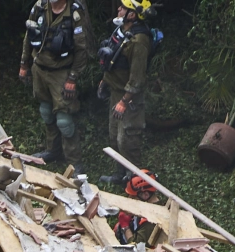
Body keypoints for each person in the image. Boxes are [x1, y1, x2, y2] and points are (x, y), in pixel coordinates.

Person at [17, 0, 86, 167]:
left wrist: (72, 78)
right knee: (46, 111)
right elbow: (29, 34)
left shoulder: (74, 13)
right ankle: (52, 151)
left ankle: (74, 163)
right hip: (39, 67)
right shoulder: (40, 7)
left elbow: (81, 48)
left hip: (61, 71)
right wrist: (24, 63)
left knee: (64, 120)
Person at [97, 0, 157, 157]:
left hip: (129, 98)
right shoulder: (121, 30)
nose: (118, 9)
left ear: (132, 14)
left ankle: (133, 177)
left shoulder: (139, 41)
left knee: (127, 140)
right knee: (113, 136)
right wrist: (105, 80)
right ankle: (119, 174)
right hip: (116, 90)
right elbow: (112, 59)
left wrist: (124, 101)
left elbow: (137, 77)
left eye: (123, 8)